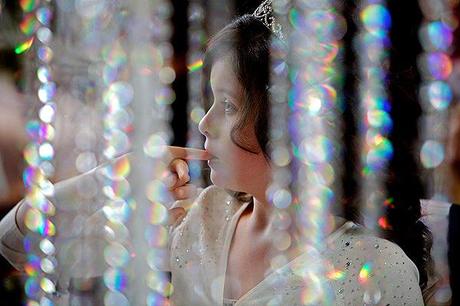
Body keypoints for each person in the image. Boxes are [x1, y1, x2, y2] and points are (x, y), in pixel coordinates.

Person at [1, 2, 430, 305]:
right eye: (210, 102)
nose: (205, 124)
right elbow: (17, 243)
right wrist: (106, 179)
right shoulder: (196, 219)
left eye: (227, 106)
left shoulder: (376, 270)